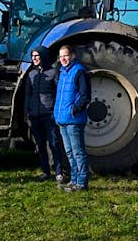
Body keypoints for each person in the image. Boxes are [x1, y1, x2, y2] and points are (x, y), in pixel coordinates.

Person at [24, 48, 65, 183]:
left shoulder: (53, 72)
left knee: (54, 143)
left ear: (43, 56)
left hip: (48, 114)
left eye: (37, 56)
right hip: (34, 115)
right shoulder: (31, 74)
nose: (34, 58)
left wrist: (55, 111)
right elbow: (28, 95)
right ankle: (45, 171)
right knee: (40, 145)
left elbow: (58, 93)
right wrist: (27, 111)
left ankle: (59, 171)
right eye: (33, 56)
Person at [54, 44, 91, 192]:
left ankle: (82, 182)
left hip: (74, 119)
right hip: (62, 118)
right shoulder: (63, 72)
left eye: (66, 55)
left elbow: (85, 95)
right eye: (61, 56)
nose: (63, 59)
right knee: (69, 152)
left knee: (78, 151)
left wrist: (74, 109)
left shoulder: (79, 71)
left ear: (73, 55)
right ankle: (74, 180)